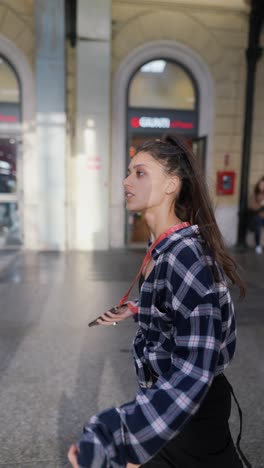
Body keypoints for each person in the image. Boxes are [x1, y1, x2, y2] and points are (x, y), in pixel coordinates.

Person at [68, 134, 249, 468]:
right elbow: (179, 304)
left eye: (140, 173)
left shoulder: (186, 256)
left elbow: (195, 368)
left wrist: (116, 433)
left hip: (190, 412)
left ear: (171, 184)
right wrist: (138, 307)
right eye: (128, 172)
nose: (125, 181)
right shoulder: (161, 247)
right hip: (166, 402)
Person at [248, 176, 264, 254]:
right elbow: (251, 206)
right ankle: (258, 245)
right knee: (258, 226)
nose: (262, 186)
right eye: (261, 185)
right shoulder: (255, 194)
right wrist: (261, 205)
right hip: (257, 216)